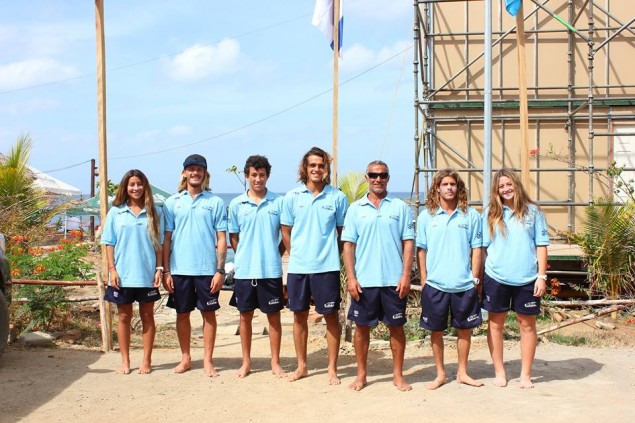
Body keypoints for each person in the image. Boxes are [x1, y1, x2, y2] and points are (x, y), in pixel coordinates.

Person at [342, 160, 414, 391]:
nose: (378, 179)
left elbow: (408, 243)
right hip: (365, 281)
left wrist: (406, 276)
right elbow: (348, 246)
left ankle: (398, 375)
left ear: (388, 178)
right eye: (373, 175)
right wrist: (351, 278)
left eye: (382, 175)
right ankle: (361, 375)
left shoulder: (400, 208)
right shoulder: (355, 209)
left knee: (396, 328)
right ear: (367, 178)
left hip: (394, 281)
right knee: (362, 329)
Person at [281, 146, 349, 384]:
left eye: (321, 165)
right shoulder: (292, 197)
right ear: (305, 168)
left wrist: (331, 253)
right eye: (312, 165)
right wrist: (296, 254)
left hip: (327, 268)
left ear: (326, 168)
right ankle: (302, 366)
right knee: (299, 316)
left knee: (331, 316)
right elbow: (286, 231)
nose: (317, 169)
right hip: (299, 268)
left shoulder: (337, 197)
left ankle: (332, 368)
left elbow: (343, 234)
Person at [416, 168, 483, 389]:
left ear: (458, 188)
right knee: (436, 330)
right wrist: (424, 279)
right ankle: (441, 374)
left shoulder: (471, 215)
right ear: (437, 188)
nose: (449, 188)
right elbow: (421, 250)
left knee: (464, 329)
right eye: (444, 184)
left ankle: (463, 372)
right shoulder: (427, 216)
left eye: (453, 184)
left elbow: (477, 248)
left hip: (464, 284)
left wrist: (475, 279)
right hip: (435, 285)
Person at [482, 169, 549, 389]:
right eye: (501, 186)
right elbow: (482, 248)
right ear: (496, 190)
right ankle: (499, 371)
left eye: (509, 184)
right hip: (496, 277)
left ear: (516, 185)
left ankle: (526, 375)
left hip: (528, 278)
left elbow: (541, 245)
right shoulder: (490, 213)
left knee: (527, 325)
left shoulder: (534, 212)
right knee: (495, 324)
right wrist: (480, 278)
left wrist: (542, 276)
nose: (506, 189)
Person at [162, 154, 228, 377]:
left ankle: (208, 360)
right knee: (182, 313)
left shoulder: (215, 202)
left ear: (205, 174)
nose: (195, 173)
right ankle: (186, 358)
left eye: (199, 169)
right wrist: (166, 270)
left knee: (208, 314)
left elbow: (221, 239)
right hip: (179, 270)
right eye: (191, 169)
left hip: (206, 270)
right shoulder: (172, 203)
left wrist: (220, 270)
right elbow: (167, 239)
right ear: (184, 173)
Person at [228, 155, 285, 378]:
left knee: (274, 318)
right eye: (254, 175)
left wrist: (275, 253)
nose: (258, 179)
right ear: (246, 176)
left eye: (262, 175)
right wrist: (244, 255)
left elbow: (285, 235)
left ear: (267, 176)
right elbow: (234, 236)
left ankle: (276, 362)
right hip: (244, 271)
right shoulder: (236, 204)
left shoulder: (278, 202)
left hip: (270, 270)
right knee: (245, 317)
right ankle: (246, 362)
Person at [101, 169, 163, 374]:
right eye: (131, 184)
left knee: (147, 316)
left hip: (146, 274)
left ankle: (146, 360)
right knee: (123, 317)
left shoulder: (155, 212)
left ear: (145, 186)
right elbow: (109, 243)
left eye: (139, 184)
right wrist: (112, 269)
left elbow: (159, 245)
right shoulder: (116, 212)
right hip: (123, 274)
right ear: (125, 188)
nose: (135, 188)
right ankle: (125, 361)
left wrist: (159, 269)